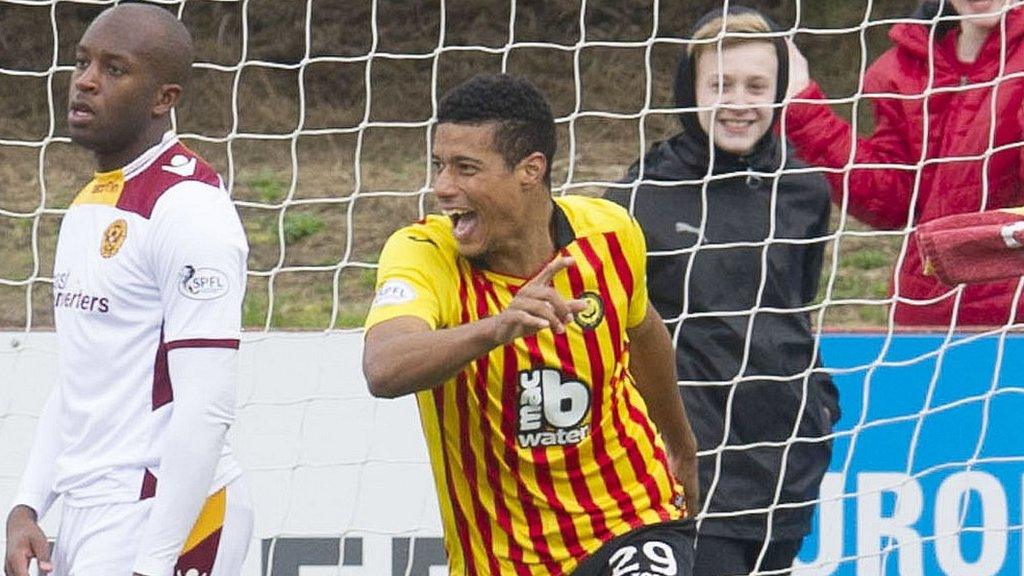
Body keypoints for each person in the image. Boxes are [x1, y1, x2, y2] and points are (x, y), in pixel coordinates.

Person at [362, 73, 700, 576]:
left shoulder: (609, 231)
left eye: (466, 168)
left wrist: (682, 445)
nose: (442, 188)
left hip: (632, 517)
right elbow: (383, 368)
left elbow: (644, 329)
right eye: (439, 166)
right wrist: (496, 328)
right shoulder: (424, 253)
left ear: (530, 170)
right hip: (504, 558)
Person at [4, 5, 252, 576]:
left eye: (115, 69)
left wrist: (156, 560)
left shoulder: (190, 209)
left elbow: (207, 407)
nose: (87, 80)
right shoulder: (88, 202)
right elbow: (81, 379)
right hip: (89, 513)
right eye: (83, 62)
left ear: (164, 98)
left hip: (166, 514)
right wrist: (27, 506)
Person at [606, 6, 841, 575]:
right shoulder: (638, 196)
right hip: (686, 464)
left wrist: (817, 407)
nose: (739, 101)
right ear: (692, 91)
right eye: (721, 85)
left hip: (783, 458)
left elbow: (793, 307)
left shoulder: (804, 189)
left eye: (756, 85)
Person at [785, 0, 1024, 326]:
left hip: (1015, 319)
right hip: (923, 318)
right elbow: (890, 200)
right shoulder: (908, 65)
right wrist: (805, 112)